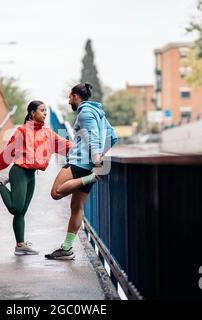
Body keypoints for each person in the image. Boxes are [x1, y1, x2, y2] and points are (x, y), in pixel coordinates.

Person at [0, 101, 72, 256]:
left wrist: (86, 149)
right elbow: (9, 152)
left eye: (46, 110)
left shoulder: (47, 133)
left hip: (31, 176)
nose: (45, 113)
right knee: (15, 208)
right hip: (19, 172)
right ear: (32, 113)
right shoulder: (22, 131)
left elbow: (65, 145)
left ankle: (20, 246)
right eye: (42, 110)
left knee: (22, 212)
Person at [45, 83, 118, 260]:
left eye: (70, 97)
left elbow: (93, 136)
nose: (69, 100)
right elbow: (113, 136)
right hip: (89, 164)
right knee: (76, 206)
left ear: (77, 96)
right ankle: (66, 248)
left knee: (56, 193)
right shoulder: (99, 113)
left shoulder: (85, 113)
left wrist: (96, 160)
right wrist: (98, 157)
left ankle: (93, 178)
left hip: (79, 163)